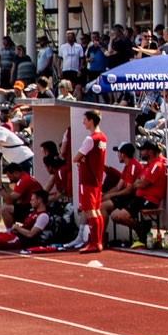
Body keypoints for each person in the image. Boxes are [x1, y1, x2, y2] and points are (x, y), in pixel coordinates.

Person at [74, 108, 109, 253]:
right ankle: (97, 241)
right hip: (97, 179)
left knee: (90, 211)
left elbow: (76, 158)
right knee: (96, 210)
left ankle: (95, 242)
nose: (83, 122)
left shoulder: (91, 139)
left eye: (85, 120)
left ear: (91, 121)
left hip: (87, 178)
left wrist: (82, 159)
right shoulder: (103, 138)